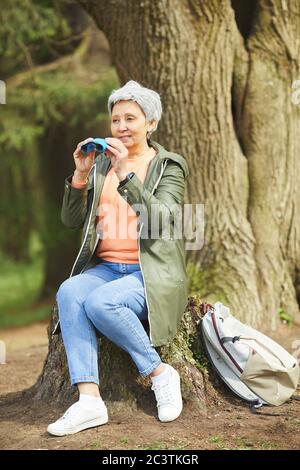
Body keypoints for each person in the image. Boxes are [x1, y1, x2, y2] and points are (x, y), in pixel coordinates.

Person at [47, 80, 189, 436]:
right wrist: (81, 174)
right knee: (69, 291)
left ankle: (159, 373)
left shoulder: (168, 165)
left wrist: (126, 173)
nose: (121, 127)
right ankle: (89, 401)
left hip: (150, 274)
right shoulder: (99, 166)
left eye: (131, 118)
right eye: (115, 120)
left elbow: (160, 220)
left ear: (151, 123)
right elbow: (71, 221)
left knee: (102, 304)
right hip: (107, 268)